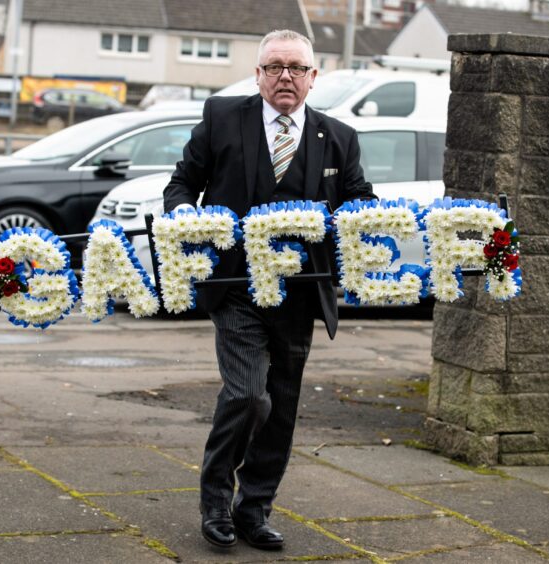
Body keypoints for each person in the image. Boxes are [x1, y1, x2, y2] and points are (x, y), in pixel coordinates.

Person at [163, 29, 374, 550]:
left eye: (296, 67)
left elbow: (359, 199)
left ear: (312, 77)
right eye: (275, 66)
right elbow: (181, 184)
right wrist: (189, 218)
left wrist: (364, 219)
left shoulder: (340, 137)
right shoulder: (221, 118)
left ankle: (253, 510)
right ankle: (215, 502)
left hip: (301, 294)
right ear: (257, 74)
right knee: (248, 396)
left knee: (280, 407)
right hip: (235, 286)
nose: (286, 75)